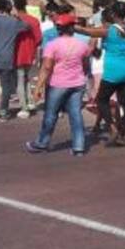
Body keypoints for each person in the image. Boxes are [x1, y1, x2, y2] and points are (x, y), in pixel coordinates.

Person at [24, 12, 92, 155]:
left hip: (58, 84)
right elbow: (86, 65)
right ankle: (79, 146)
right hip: (78, 83)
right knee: (76, 114)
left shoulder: (52, 45)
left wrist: (38, 87)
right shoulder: (82, 45)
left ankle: (42, 143)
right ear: (72, 27)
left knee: (51, 114)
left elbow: (46, 67)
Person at [77, 4, 125, 145]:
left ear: (113, 15)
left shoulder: (109, 30)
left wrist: (71, 25)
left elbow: (86, 31)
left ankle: (113, 128)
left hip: (113, 72)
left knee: (101, 100)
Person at [10, 0, 43, 119]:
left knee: (20, 79)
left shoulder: (14, 20)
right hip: (30, 52)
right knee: (25, 77)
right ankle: (30, 102)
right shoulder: (34, 20)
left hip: (17, 52)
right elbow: (39, 39)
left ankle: (24, 107)